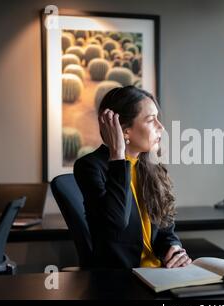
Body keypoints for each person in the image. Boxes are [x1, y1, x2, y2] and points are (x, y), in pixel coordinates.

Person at [74, 86, 191, 269]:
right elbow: (117, 222)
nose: (160, 127)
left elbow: (165, 228)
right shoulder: (89, 166)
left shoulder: (151, 165)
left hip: (161, 274)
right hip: (124, 281)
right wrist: (118, 155)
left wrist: (174, 249)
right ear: (124, 131)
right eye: (151, 120)